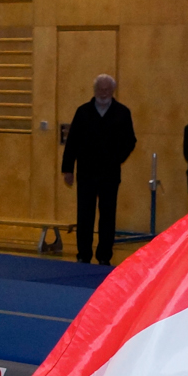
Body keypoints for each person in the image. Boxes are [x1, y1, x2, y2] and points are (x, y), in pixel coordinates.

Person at [60, 74, 137, 266]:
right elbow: (72, 142)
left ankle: (104, 255)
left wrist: (117, 158)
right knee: (84, 215)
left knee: (107, 216)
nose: (103, 93)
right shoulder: (83, 112)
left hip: (110, 173)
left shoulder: (122, 112)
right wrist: (68, 169)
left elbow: (130, 141)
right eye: (100, 90)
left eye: (107, 90)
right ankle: (83, 254)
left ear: (112, 91)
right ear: (94, 91)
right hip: (86, 172)